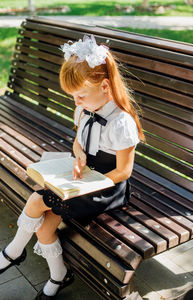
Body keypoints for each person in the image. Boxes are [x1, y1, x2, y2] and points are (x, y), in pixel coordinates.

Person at [0, 34, 145, 299]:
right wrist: (78, 155)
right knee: (44, 228)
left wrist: (87, 184)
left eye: (80, 95)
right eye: (73, 97)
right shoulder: (84, 109)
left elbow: (124, 171)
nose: (76, 102)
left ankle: (12, 253)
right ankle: (60, 276)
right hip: (84, 178)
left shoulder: (120, 123)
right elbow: (79, 141)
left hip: (107, 187)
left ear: (104, 86)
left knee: (36, 200)